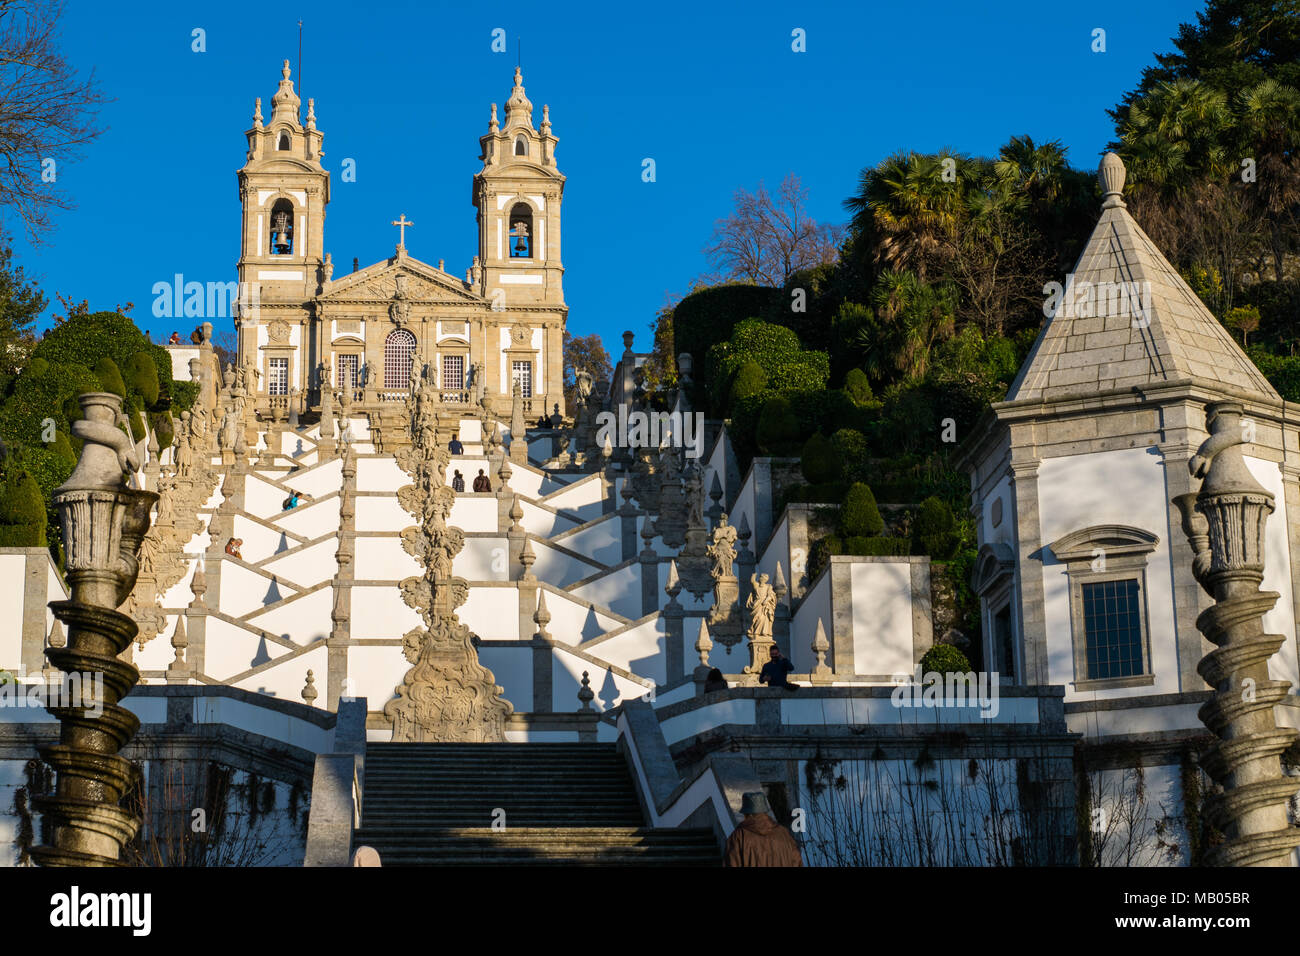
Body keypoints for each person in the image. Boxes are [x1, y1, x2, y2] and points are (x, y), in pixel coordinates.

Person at [724, 791, 802, 867]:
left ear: (747, 814)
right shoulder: (784, 834)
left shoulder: (739, 837)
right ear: (765, 812)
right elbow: (797, 862)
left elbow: (732, 862)